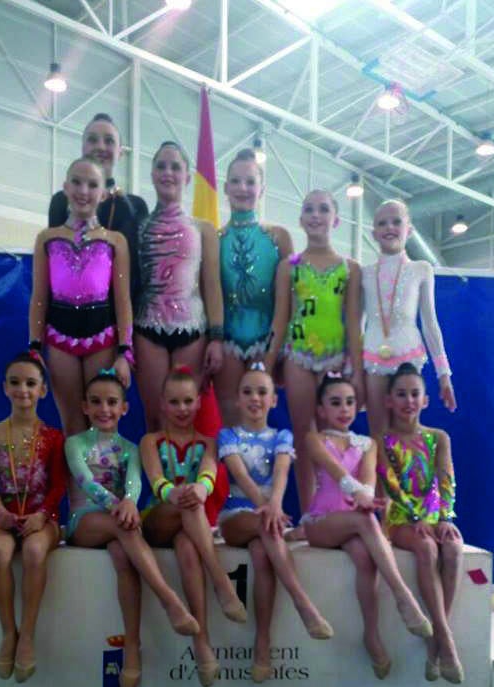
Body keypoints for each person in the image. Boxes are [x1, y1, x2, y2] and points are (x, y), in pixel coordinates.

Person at [65, 370, 199, 687]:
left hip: (119, 523)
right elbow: (86, 481)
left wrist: (129, 501)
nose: (104, 409)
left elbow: (135, 483)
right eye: (96, 402)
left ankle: (132, 649)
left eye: (112, 402)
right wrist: (120, 505)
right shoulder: (75, 443)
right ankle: (169, 600)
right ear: (84, 406)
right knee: (124, 526)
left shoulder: (130, 448)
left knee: (123, 556)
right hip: (85, 521)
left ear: (124, 408)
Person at [303, 372, 433, 679]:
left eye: (350, 402)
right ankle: (403, 596)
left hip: (356, 523)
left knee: (365, 557)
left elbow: (369, 479)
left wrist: (369, 496)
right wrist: (359, 495)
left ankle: (371, 637)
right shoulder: (314, 439)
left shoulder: (367, 444)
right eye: (336, 403)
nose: (344, 409)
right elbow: (336, 472)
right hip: (322, 523)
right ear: (321, 409)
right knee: (364, 519)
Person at [218, 363, 334, 683]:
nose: (254, 398)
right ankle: (303, 603)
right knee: (265, 528)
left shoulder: (282, 436)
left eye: (261, 392)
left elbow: (282, 474)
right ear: (238, 399)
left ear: (273, 400)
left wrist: (274, 506)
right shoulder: (228, 435)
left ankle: (263, 643)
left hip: (268, 516)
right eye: (247, 392)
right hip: (237, 517)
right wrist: (266, 507)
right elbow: (241, 476)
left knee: (261, 553)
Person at [139, 366, 246, 687]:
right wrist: (173, 493)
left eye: (188, 401)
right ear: (162, 404)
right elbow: (156, 479)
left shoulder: (208, 443)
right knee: (189, 504)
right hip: (158, 518)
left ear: (199, 402)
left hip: (189, 523)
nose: (182, 408)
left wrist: (201, 487)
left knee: (188, 549)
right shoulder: (151, 440)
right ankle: (221, 582)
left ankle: (202, 644)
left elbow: (208, 473)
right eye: (174, 402)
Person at [266, 189, 363, 535]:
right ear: (301, 219)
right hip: (299, 356)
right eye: (309, 209)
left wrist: (358, 372)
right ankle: (311, 514)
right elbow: (279, 319)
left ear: (336, 219)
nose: (316, 215)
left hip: (335, 359)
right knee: (305, 437)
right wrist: (266, 366)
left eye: (323, 209)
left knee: (333, 437)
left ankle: (335, 510)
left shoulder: (350, 268)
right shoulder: (289, 267)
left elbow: (354, 323)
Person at [29, 156, 134, 437]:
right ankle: (75, 470)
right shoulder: (47, 238)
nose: (83, 191)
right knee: (73, 427)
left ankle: (104, 469)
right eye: (76, 182)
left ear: (103, 194)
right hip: (60, 339)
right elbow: (39, 297)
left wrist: (124, 352)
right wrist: (35, 346)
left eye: (92, 185)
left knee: (103, 425)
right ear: (65, 187)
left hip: (102, 338)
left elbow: (123, 301)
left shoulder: (115, 241)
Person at [377, 362, 464, 684]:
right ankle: (446, 642)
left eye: (415, 394)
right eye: (401, 394)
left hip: (432, 514)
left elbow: (446, 480)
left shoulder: (438, 438)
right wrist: (415, 518)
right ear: (389, 401)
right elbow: (390, 485)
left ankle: (435, 641)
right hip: (401, 517)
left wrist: (444, 518)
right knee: (427, 548)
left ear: (426, 400)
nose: (408, 401)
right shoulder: (383, 440)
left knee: (452, 547)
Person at [133, 141, 223, 433]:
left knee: (187, 420)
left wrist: (216, 337)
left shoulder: (203, 229)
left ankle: (189, 467)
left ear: (187, 176)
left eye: (175, 167)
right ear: (152, 174)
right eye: (161, 166)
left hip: (192, 331)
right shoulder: (139, 227)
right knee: (155, 419)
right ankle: (157, 466)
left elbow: (212, 285)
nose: (168, 172)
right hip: (148, 330)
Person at [0, 352, 67, 682]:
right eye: (16, 382)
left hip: (42, 518)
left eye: (31, 383)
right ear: (4, 388)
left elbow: (59, 485)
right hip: (6, 517)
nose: (23, 389)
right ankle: (9, 633)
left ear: (43, 390)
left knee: (35, 551)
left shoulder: (53, 437)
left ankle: (28, 636)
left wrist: (43, 515)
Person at [213, 148, 293, 426]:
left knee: (260, 421)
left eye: (250, 182)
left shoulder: (278, 237)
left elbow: (289, 300)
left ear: (262, 188)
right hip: (227, 341)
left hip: (266, 339)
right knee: (230, 420)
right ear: (226, 188)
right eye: (236, 181)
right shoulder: (215, 238)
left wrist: (278, 349)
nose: (243, 188)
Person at [362, 199, 456, 436]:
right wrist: (353, 370)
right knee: (378, 434)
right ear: (374, 233)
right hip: (372, 358)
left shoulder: (422, 269)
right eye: (382, 223)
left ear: (409, 230)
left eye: (396, 221)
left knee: (406, 432)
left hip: (408, 355)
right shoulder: (365, 273)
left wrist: (443, 373)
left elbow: (430, 323)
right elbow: (358, 325)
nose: (389, 227)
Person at [48, 112, 149, 303]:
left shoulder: (135, 206)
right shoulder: (62, 201)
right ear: (83, 147)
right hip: (64, 311)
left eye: (109, 141)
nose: (100, 147)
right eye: (92, 140)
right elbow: (52, 266)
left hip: (118, 312)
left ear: (120, 152)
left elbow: (138, 272)